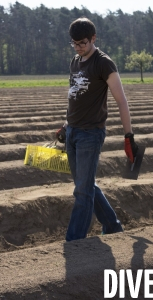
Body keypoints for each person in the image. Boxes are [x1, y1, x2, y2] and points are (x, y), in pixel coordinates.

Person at [56, 17, 139, 242]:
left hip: (90, 134)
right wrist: (65, 124)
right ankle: (112, 226)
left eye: (82, 43)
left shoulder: (104, 63)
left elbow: (121, 101)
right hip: (73, 131)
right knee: (85, 185)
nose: (78, 47)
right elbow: (74, 97)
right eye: (74, 43)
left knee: (82, 191)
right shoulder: (75, 61)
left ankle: (75, 240)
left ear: (93, 38)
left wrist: (128, 136)